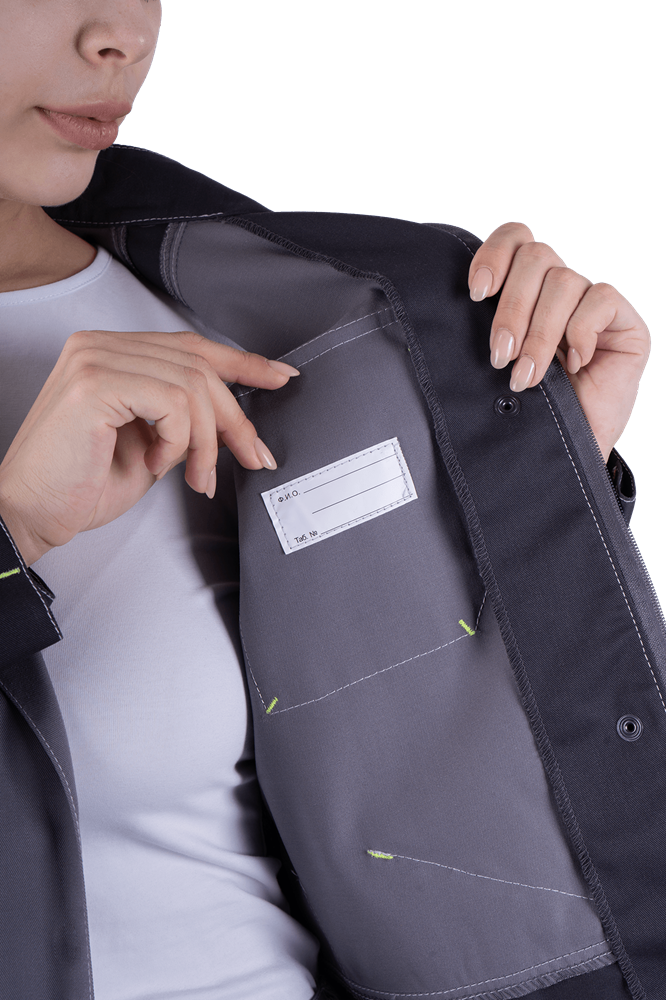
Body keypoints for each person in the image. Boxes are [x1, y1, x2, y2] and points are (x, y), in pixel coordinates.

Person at [0, 2, 657, 1000]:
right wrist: (13, 531)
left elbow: (412, 790)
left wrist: (540, 482)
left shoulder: (284, 322)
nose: (121, 37)